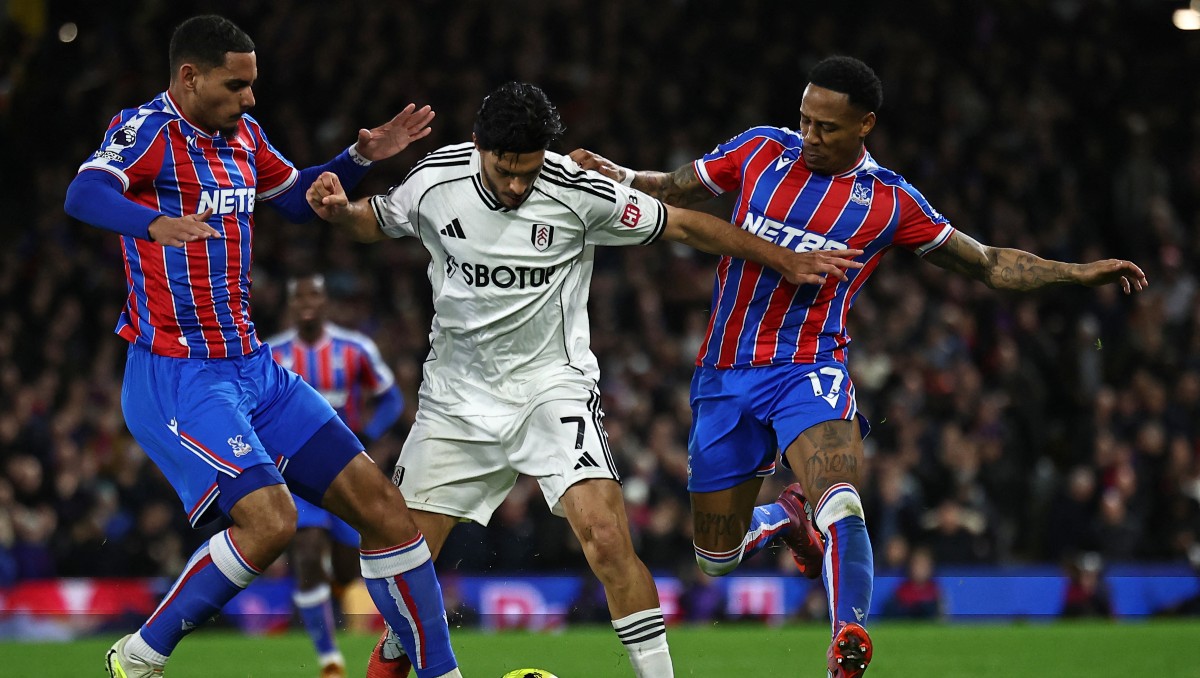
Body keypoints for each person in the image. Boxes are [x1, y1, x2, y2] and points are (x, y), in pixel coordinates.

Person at [570, 55, 1147, 677]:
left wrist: (1077, 273)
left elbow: (986, 262)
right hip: (723, 376)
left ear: (865, 124)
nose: (810, 136)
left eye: (827, 128)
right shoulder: (761, 149)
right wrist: (623, 174)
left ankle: (847, 638)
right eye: (805, 119)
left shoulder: (890, 202)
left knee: (842, 503)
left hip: (809, 368)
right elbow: (679, 186)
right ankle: (782, 519)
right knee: (716, 557)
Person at [305, 81, 863, 678]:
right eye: (504, 171)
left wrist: (783, 258)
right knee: (402, 556)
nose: (518, 186)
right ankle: (396, 652)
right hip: (454, 398)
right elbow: (378, 221)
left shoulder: (577, 190)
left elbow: (684, 226)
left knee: (605, 537)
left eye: (528, 171)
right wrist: (343, 213)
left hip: (552, 388)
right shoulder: (433, 183)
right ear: (477, 147)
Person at [62, 15, 463, 678]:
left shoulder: (244, 135)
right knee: (271, 523)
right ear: (189, 78)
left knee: (386, 510)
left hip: (255, 368)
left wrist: (357, 159)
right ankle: (139, 657)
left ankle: (442, 675)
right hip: (179, 374)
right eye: (236, 85)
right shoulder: (148, 130)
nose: (251, 99)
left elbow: (298, 199)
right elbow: (85, 192)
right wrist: (154, 221)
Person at [266, 273, 405, 678]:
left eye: (315, 295)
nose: (307, 302)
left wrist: (368, 434)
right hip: (295, 473)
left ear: (326, 302)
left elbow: (392, 397)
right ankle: (330, 659)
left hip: (346, 470)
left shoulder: (355, 349)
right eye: (300, 296)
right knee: (307, 550)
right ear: (291, 305)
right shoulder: (271, 354)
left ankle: (333, 591)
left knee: (348, 568)